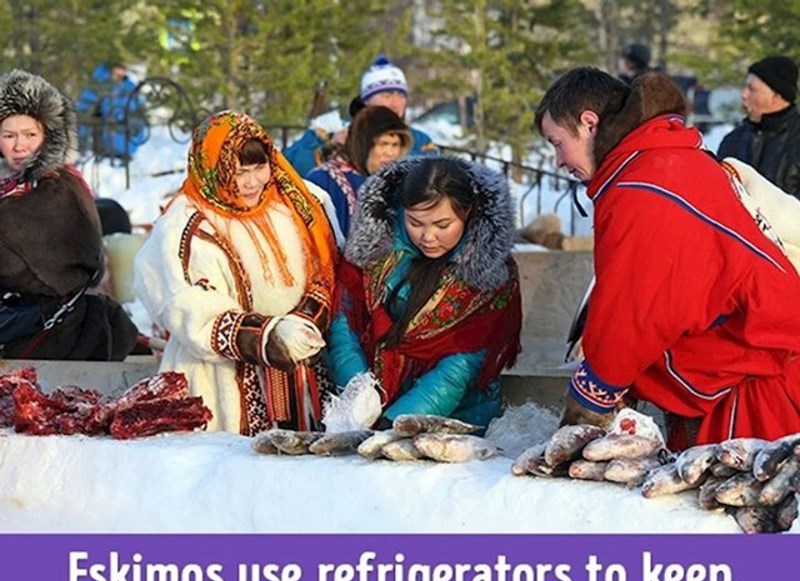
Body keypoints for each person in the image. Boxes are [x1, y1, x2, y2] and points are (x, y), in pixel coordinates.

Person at [535, 66, 800, 449]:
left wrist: (587, 402)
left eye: (557, 142)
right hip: (752, 358)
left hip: (757, 385)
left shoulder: (642, 185)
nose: (558, 160)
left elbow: (630, 314)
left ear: (589, 123)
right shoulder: (665, 160)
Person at [134, 110, 340, 435]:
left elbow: (328, 267)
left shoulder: (299, 203)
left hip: (303, 375)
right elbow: (187, 308)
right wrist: (267, 336)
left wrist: (306, 320)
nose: (252, 182)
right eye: (239, 171)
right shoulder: (183, 226)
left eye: (260, 167)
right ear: (212, 168)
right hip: (222, 382)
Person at [327, 156, 522, 429]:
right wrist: (357, 391)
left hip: (453, 418)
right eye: (415, 223)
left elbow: (462, 364)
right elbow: (344, 325)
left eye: (442, 225)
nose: (428, 237)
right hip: (366, 413)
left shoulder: (489, 273)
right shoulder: (373, 251)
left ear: (466, 212)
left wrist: (397, 422)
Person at [0, 69, 138, 360]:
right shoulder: (7, 184)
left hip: (56, 332)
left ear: (48, 135)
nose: (19, 146)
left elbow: (49, 268)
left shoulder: (61, 187)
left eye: (30, 134)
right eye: (8, 135)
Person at [283, 55, 438, 177]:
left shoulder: (419, 140)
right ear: (366, 101)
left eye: (401, 96)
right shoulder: (330, 129)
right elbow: (288, 165)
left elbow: (433, 176)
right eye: (386, 95)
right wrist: (330, 148)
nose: (395, 103)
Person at [305, 105, 412, 243]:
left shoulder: (400, 184)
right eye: (383, 144)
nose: (390, 153)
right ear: (364, 145)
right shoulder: (324, 180)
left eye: (395, 145)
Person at [717, 55, 800, 198]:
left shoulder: (795, 141)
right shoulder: (732, 141)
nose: (744, 95)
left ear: (776, 95)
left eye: (752, 89)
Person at [76, 62, 145, 160]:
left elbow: (137, 112)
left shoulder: (129, 86)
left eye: (123, 69)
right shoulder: (98, 85)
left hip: (127, 141)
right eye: (118, 68)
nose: (121, 72)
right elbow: (84, 111)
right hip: (104, 141)